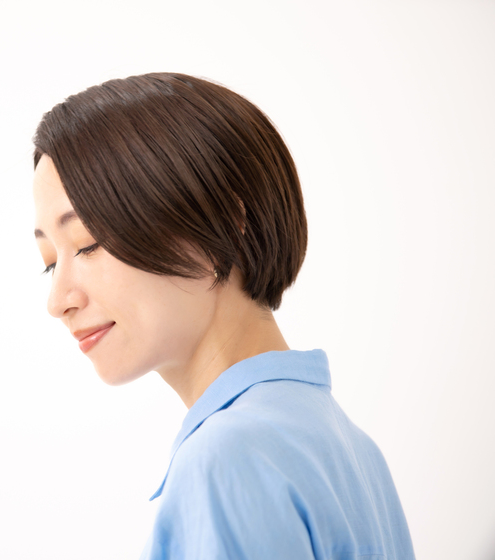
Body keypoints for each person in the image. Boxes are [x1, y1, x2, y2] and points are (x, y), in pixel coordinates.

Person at [31, 73, 415, 559]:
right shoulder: (352, 450)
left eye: (88, 244)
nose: (58, 299)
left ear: (221, 227)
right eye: (49, 262)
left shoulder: (227, 458)